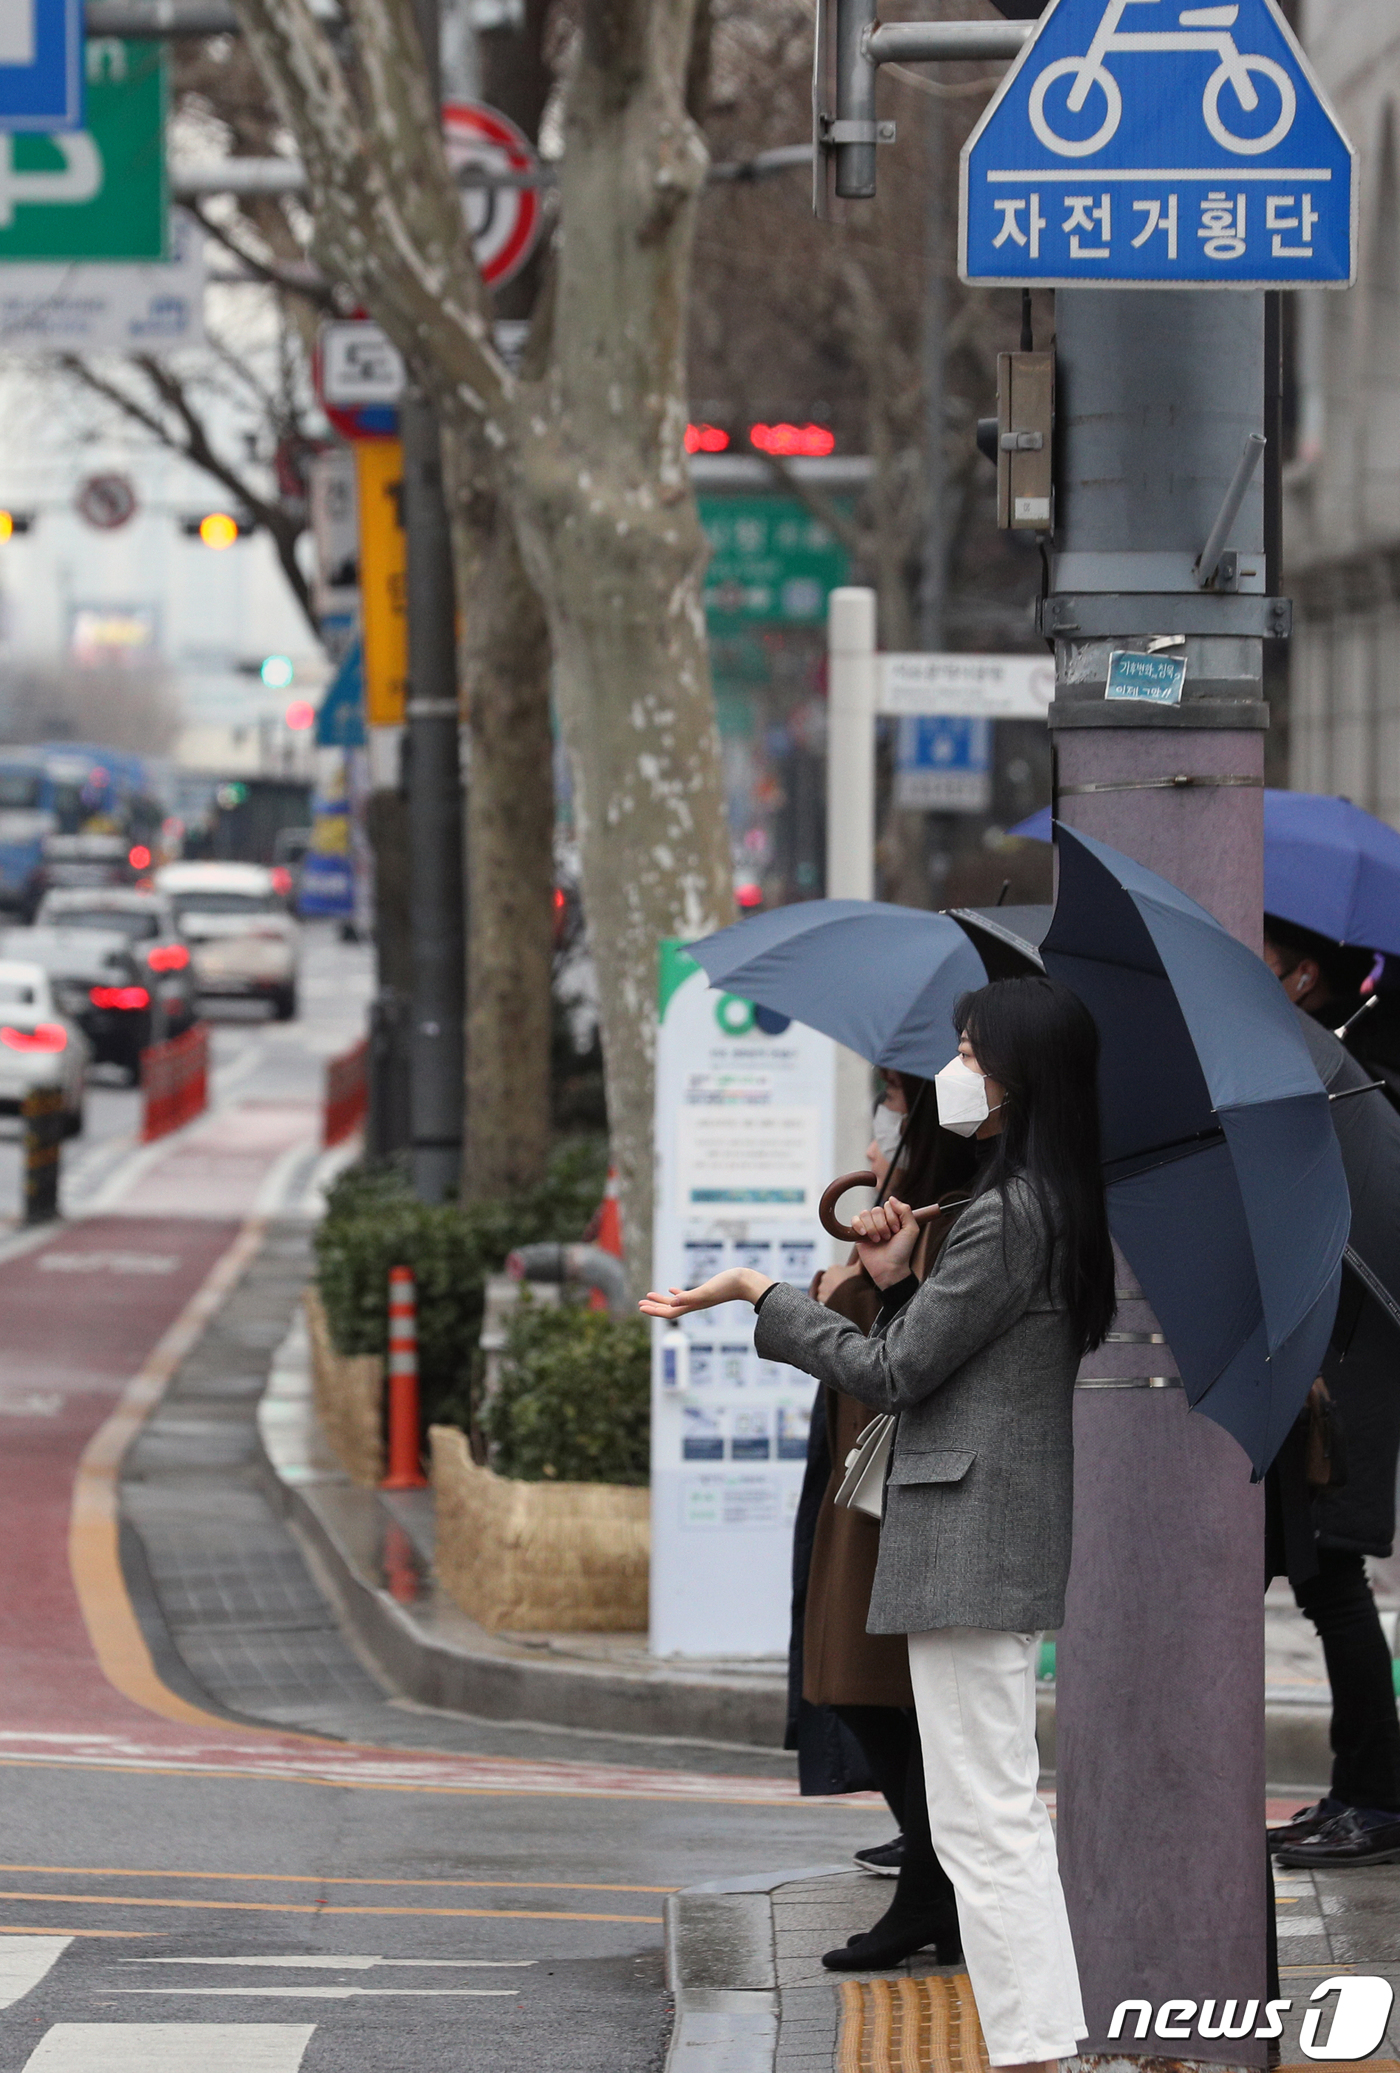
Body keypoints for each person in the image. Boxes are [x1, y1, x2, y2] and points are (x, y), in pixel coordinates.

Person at [644, 974, 1115, 2072]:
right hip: (982, 1533)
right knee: (981, 1811)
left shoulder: (1007, 1213)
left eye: (968, 1051)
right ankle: (1041, 2040)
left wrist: (766, 1293)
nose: (952, 1071)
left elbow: (893, 1373)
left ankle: (1039, 2046)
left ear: (1015, 1078)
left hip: (968, 1537)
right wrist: (899, 1275)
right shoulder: (1037, 1203)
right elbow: (948, 1356)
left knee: (981, 1818)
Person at [793, 1068, 975, 1969]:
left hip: (898, 1486)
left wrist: (843, 1289)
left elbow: (902, 1355)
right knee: (853, 1684)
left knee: (881, 1689)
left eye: (897, 1103)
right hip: (859, 1477)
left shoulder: (961, 1218)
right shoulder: (911, 1210)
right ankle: (932, 1886)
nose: (883, 1123)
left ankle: (933, 1890)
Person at [1261, 921, 1400, 1868]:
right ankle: (1359, 1785)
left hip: (1353, 1354)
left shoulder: (1355, 1076)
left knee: (1334, 1572)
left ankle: (1378, 1799)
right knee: (1319, 1576)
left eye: (1266, 960)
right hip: (1324, 1350)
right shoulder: (1324, 1061)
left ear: (1304, 975)